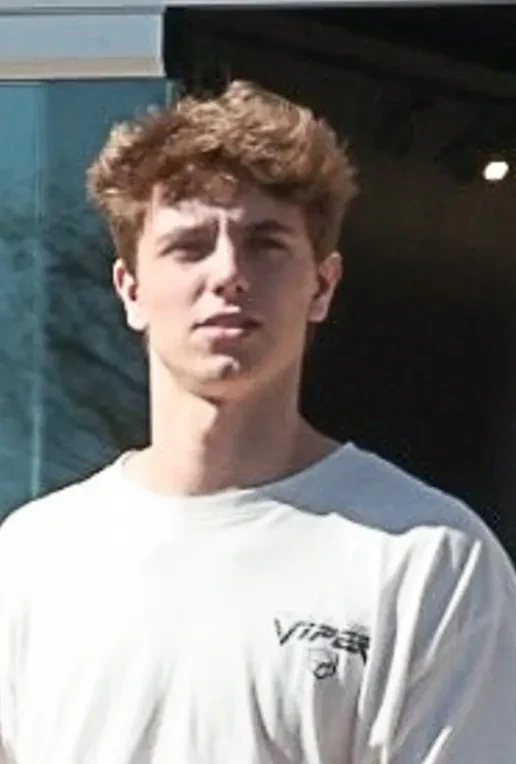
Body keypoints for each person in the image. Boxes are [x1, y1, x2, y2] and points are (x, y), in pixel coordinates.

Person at [0, 80, 515, 764]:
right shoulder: (33, 558)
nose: (228, 275)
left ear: (322, 285)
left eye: (265, 244)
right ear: (130, 289)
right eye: (189, 246)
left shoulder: (428, 560)